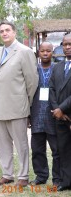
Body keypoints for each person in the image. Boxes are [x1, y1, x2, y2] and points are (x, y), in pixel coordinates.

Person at [0, 21, 38, 187]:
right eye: (1, 31)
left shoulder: (25, 52)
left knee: (21, 144)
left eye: (7, 30)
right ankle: (7, 174)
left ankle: (23, 176)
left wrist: (27, 103)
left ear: (14, 32)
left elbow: (32, 81)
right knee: (3, 144)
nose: (4, 33)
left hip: (18, 107)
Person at [29, 41, 60, 187]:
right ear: (38, 53)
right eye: (43, 51)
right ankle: (41, 176)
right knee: (37, 149)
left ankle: (57, 178)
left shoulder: (58, 69)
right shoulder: (33, 70)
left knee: (56, 150)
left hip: (53, 115)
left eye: (48, 51)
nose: (46, 53)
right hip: (36, 115)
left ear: (52, 52)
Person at [49, 34, 71, 191]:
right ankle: (66, 181)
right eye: (65, 44)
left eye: (70, 44)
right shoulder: (56, 67)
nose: (67, 47)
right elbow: (51, 89)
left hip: (66, 112)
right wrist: (58, 110)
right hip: (60, 118)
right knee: (63, 149)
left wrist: (61, 108)